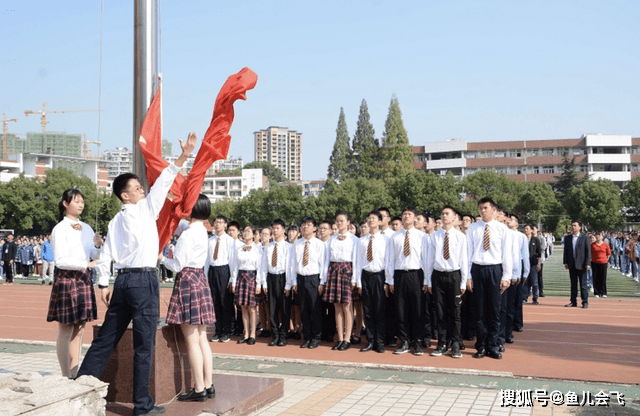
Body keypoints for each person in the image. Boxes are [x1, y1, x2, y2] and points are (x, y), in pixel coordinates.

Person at [76, 132, 196, 416]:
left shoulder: (116, 219)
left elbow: (105, 253)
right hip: (143, 281)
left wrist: (103, 282)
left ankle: (79, 388)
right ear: (124, 194)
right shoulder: (144, 210)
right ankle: (142, 406)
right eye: (137, 188)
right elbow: (165, 179)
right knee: (144, 345)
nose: (143, 190)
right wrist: (184, 155)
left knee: (106, 337)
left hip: (123, 282)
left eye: (142, 187)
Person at [159, 194, 215, 402]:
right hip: (200, 279)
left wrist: (162, 258)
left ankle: (198, 388)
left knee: (191, 340)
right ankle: (208, 385)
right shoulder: (201, 230)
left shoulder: (188, 235)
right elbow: (180, 224)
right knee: (202, 338)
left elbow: (177, 265)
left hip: (188, 281)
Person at [47, 191, 101, 379]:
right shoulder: (60, 229)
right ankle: (65, 374)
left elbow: (94, 256)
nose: (81, 205)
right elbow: (61, 260)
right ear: (65, 203)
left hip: (83, 279)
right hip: (67, 279)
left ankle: (74, 372)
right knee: (66, 328)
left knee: (80, 328)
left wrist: (97, 246)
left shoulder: (86, 227)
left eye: (82, 201)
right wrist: (86, 264)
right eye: (76, 201)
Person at [466, 197, 512, 360]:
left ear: (493, 210)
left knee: (494, 310)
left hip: (495, 269)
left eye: (485, 208)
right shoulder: (473, 228)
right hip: (477, 269)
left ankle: (493, 345)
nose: (482, 211)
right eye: (480, 208)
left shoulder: (501, 229)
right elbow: (468, 253)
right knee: (480, 310)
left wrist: (506, 276)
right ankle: (481, 346)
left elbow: (507, 253)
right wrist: (468, 276)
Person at [425, 206, 468, 359]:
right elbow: (429, 260)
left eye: (447, 214)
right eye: (442, 213)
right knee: (440, 311)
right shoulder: (434, 236)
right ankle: (442, 343)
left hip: (454, 276)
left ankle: (455, 343)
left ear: (454, 217)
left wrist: (463, 282)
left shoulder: (460, 237)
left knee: (455, 312)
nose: (444, 216)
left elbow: (464, 260)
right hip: (438, 276)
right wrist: (428, 281)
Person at [389, 206, 426, 356]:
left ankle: (417, 341)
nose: (406, 217)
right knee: (401, 309)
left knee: (417, 309)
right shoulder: (395, 237)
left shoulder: (422, 236)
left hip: (416, 274)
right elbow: (391, 259)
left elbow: (426, 259)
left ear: (415, 218)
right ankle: (404, 341)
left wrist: (427, 280)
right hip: (399, 274)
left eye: (409, 214)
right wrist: (390, 280)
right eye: (404, 214)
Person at [321, 213, 359, 351]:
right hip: (333, 271)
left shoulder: (354, 240)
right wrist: (323, 279)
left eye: (342, 221)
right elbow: (326, 260)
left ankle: (347, 338)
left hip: (347, 271)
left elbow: (356, 260)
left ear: (348, 222)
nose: (339, 223)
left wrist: (354, 279)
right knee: (337, 306)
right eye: (337, 221)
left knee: (347, 306)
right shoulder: (331, 240)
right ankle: (340, 338)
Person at [356, 210, 391, 353]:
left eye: (374, 218)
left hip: (379, 276)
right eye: (369, 218)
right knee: (368, 310)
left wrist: (388, 281)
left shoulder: (386, 240)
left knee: (380, 310)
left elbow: (388, 262)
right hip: (366, 276)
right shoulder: (362, 240)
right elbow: (358, 261)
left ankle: (380, 341)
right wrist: (358, 282)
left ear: (380, 221)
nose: (371, 221)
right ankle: (370, 340)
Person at [288, 217, 326, 349]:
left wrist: (322, 282)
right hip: (301, 279)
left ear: (315, 228)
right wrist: (294, 281)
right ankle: (307, 336)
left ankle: (316, 337)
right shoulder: (297, 244)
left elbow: (323, 264)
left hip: (314, 279)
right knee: (303, 309)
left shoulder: (319, 244)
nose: (306, 227)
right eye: (304, 225)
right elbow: (293, 264)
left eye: (309, 225)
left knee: (315, 309)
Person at [205, 215, 237, 343]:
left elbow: (233, 261)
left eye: (220, 222)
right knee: (215, 303)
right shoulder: (210, 240)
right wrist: (206, 277)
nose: (217, 224)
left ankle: (227, 331)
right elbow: (207, 260)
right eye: (216, 222)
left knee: (225, 302)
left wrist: (232, 279)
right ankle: (218, 330)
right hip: (213, 271)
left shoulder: (230, 241)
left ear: (225, 225)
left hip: (224, 271)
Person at [230, 225, 264, 345]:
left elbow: (260, 268)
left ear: (254, 235)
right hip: (241, 278)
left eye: (249, 231)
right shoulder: (238, 249)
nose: (246, 233)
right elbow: (235, 267)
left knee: (252, 308)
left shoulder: (258, 250)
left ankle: (253, 334)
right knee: (243, 307)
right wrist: (234, 282)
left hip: (252, 277)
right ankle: (246, 334)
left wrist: (258, 284)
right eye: (244, 231)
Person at [261, 219, 292, 347]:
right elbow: (264, 265)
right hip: (271, 278)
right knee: (272, 308)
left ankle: (283, 335)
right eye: (273, 228)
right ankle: (275, 335)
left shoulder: (289, 247)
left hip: (283, 278)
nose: (275, 230)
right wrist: (264, 283)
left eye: (278, 228)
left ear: (283, 230)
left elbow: (290, 266)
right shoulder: (268, 247)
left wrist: (289, 284)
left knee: (284, 308)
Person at [563, 220, 591, 309]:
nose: (573, 227)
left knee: (583, 285)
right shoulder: (567, 238)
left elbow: (588, 251)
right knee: (573, 284)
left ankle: (585, 302)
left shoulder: (585, 238)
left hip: (582, 264)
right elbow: (566, 251)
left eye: (575, 225)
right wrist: (566, 262)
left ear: (579, 227)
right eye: (572, 225)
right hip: (572, 264)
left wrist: (587, 263)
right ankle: (573, 301)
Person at [591, 232, 611, 298]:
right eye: (596, 236)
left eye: (599, 236)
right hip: (594, 262)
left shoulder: (605, 245)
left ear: (602, 237)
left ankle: (603, 292)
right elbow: (589, 253)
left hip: (603, 263)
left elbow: (608, 253)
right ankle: (596, 292)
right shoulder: (592, 245)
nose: (597, 237)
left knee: (603, 278)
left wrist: (606, 260)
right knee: (595, 277)